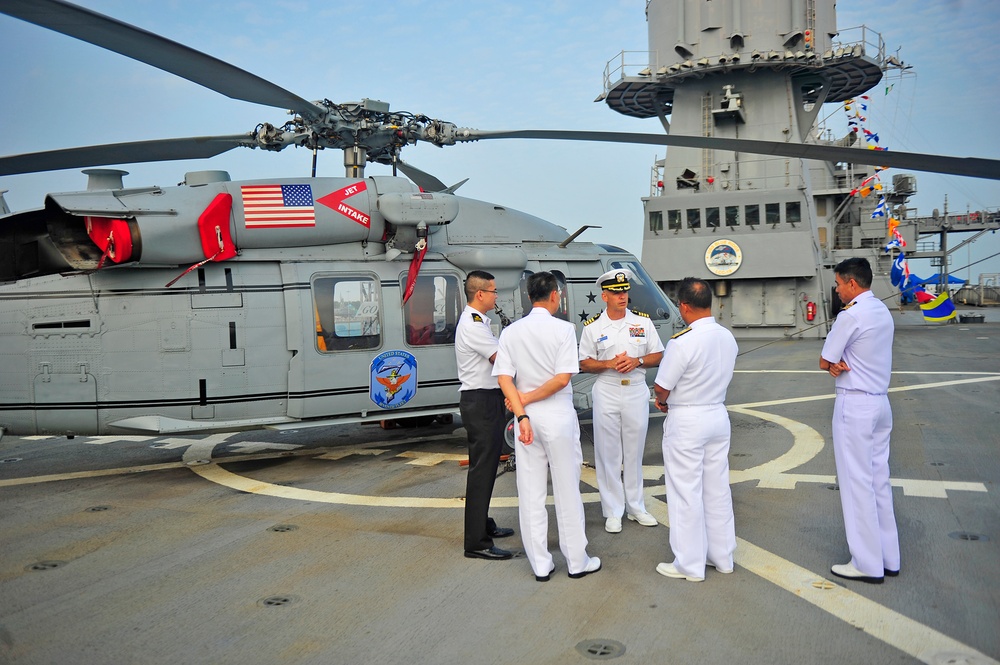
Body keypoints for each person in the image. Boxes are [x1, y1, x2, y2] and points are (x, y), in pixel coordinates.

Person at [493, 272, 601, 582]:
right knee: (567, 489)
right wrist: (524, 400)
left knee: (530, 492)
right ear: (555, 295)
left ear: (529, 297)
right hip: (556, 415)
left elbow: (503, 378)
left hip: (526, 418)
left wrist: (520, 407)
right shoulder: (564, 329)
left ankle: (540, 564)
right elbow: (562, 378)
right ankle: (577, 561)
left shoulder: (512, 332)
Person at [652, 277, 738, 583]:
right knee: (717, 489)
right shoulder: (727, 337)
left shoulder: (682, 341)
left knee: (685, 492)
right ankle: (723, 556)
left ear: (684, 306)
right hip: (717, 415)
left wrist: (662, 401)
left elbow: (662, 386)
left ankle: (689, 564)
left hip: (688, 419)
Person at [820, 257, 900, 584]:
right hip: (881, 403)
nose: (837, 290)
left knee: (856, 484)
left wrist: (832, 364)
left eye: (839, 284)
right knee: (879, 479)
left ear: (852, 283)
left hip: (855, 406)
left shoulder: (850, 314)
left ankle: (866, 563)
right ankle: (888, 556)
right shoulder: (881, 310)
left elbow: (825, 359)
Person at [579, 268, 664, 533]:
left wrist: (637, 360)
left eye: (625, 291)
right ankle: (613, 511)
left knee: (634, 450)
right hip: (607, 389)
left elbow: (658, 354)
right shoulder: (593, 326)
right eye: (616, 293)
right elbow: (584, 362)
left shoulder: (643, 322)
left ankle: (636, 507)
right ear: (605, 296)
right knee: (608, 453)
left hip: (636, 389)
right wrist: (609, 364)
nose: (623, 296)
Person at [455, 270, 515, 561]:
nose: (496, 296)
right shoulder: (473, 324)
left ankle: (484, 525)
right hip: (481, 401)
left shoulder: (479, 322)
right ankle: (476, 543)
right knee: (482, 471)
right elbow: (500, 359)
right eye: (492, 291)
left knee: (487, 468)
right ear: (480, 294)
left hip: (483, 399)